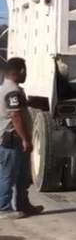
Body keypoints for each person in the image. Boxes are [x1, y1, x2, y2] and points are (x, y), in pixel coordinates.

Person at [0, 57, 43, 219]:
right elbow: (15, 115)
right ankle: (3, 208)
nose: (25, 74)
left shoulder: (9, 88)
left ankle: (23, 204)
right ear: (19, 71)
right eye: (24, 70)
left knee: (22, 175)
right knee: (8, 175)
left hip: (15, 139)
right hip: (12, 139)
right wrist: (25, 139)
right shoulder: (12, 91)